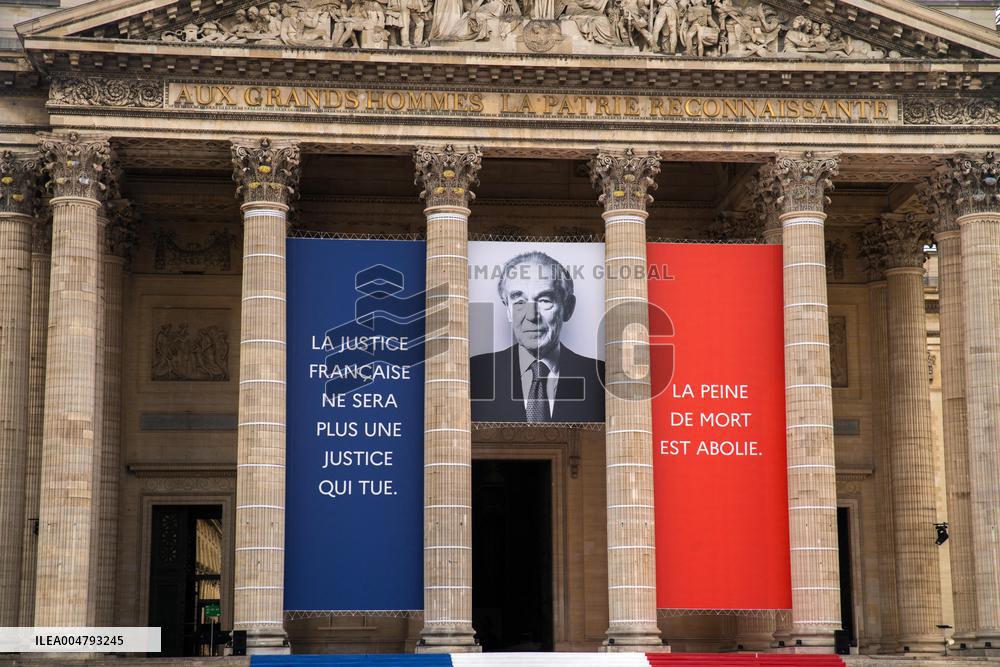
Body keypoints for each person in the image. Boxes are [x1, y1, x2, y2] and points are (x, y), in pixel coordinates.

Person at [471, 251, 605, 423]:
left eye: (544, 300)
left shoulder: (600, 377)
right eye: (519, 302)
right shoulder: (476, 373)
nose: (532, 316)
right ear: (508, 311)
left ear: (568, 308)